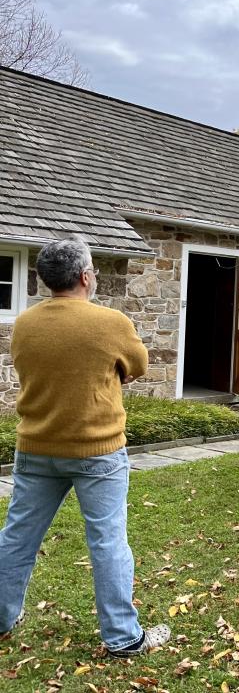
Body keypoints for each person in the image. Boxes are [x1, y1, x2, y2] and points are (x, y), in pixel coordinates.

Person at [0, 236, 169, 656]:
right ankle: (123, 637)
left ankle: (1, 617)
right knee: (108, 541)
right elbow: (139, 365)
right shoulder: (110, 323)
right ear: (86, 277)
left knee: (17, 537)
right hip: (99, 451)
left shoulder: (24, 323)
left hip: (36, 447)